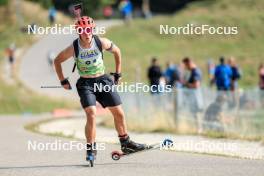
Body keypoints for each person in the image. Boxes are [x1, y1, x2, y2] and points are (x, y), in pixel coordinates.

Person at [54, 16, 146, 162]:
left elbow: (117, 51)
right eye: (83, 30)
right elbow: (57, 60)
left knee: (119, 113)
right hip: (86, 83)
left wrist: (118, 73)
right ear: (78, 31)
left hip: (103, 80)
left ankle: (126, 143)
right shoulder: (74, 47)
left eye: (89, 29)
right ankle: (91, 149)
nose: (87, 33)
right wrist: (62, 80)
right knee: (91, 113)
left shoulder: (100, 42)